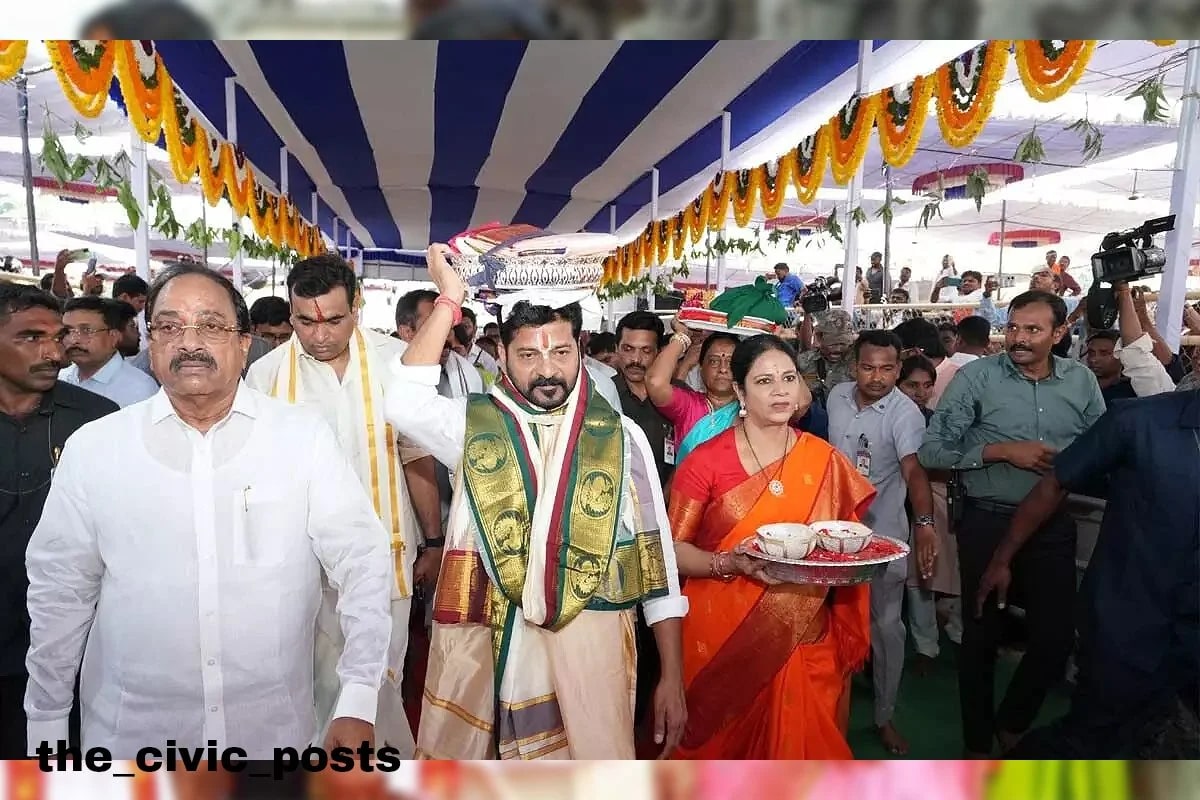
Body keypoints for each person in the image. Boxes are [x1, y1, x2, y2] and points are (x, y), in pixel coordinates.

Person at [24, 264, 392, 758]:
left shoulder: (301, 438)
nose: (189, 342)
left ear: (244, 344)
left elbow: (361, 561)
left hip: (272, 732)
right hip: (132, 735)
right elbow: (60, 591)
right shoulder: (96, 448)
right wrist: (45, 720)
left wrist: (358, 696)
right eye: (170, 326)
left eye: (211, 326)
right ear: (149, 342)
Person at [385, 245, 687, 760]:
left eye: (561, 353)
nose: (547, 370)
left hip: (590, 645)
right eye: (529, 355)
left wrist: (674, 677)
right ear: (500, 353)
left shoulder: (620, 436)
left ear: (582, 351)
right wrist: (449, 301)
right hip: (491, 640)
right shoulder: (471, 425)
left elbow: (656, 564)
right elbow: (403, 401)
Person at [246, 255, 442, 756]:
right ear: (290, 316)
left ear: (357, 306)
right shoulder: (264, 377)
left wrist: (434, 541)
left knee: (381, 684)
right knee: (308, 688)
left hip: (386, 555)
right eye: (305, 321)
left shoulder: (396, 360)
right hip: (299, 569)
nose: (319, 334)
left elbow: (415, 457)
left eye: (333, 319)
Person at [667, 334, 875, 759]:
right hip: (721, 635)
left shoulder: (824, 459)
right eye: (764, 381)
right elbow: (671, 551)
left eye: (788, 377)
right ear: (740, 391)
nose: (781, 390)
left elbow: (843, 545)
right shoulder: (705, 462)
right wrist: (729, 563)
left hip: (803, 630)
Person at [919, 289, 1106, 757]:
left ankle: (1012, 721)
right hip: (987, 520)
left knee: (1056, 638)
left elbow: (1103, 447)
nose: (1018, 339)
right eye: (1013, 328)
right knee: (980, 638)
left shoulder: (1081, 382)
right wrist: (1002, 451)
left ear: (1059, 333)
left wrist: (1074, 462)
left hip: (1052, 524)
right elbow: (933, 451)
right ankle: (977, 747)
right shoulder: (977, 378)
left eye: (1033, 330)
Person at [977, 388, 1199, 757]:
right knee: (1094, 735)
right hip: (1127, 621)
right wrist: (1003, 558)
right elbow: (1055, 483)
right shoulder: (1137, 421)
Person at [0, 283, 117, 758]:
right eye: (31, 338)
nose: (54, 353)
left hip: (73, 648)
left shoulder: (97, 422)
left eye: (58, 337)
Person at [826, 330, 936, 756]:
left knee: (886, 627)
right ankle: (829, 707)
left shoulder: (905, 414)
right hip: (830, 535)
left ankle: (884, 716)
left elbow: (914, 472)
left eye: (887, 368)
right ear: (854, 365)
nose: (877, 376)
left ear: (898, 367)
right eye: (868, 367)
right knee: (829, 625)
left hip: (881, 537)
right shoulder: (836, 396)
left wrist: (924, 524)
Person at [646, 323, 739, 461]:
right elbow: (655, 382)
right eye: (714, 361)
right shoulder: (688, 405)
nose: (723, 369)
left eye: (730, 362)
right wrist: (682, 336)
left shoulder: (752, 409)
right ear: (700, 367)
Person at [58, 296, 158, 408]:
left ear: (114, 337)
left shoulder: (140, 389)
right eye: (67, 331)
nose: (73, 340)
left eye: (86, 330)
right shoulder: (60, 378)